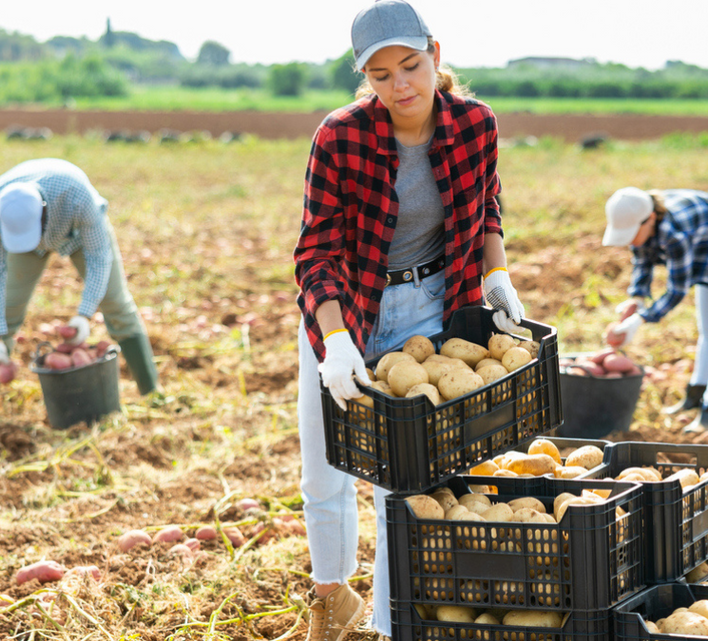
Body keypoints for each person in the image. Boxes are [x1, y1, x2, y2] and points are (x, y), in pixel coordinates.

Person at [292, 2, 525, 640]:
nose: (400, 84)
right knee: (327, 463)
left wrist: (496, 275)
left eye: (411, 65)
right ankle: (333, 600)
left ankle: (397, 623)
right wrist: (336, 345)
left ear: (435, 56)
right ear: (364, 77)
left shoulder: (476, 124)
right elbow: (316, 252)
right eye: (381, 73)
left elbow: (487, 206)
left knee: (407, 475)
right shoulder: (341, 135)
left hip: (430, 305)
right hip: (348, 304)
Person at [0, 158, 160, 413]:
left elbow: (98, 259)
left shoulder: (77, 196)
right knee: (5, 314)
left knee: (116, 304)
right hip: (19, 245)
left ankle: (152, 395)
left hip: (77, 234)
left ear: (43, 210)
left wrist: (84, 314)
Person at [602, 187, 708, 432]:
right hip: (706, 247)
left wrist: (641, 319)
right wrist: (637, 299)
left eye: (632, 233)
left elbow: (677, 290)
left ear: (652, 219)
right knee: (706, 333)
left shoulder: (674, 234)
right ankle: (693, 398)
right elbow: (642, 261)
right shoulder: (643, 218)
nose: (631, 240)